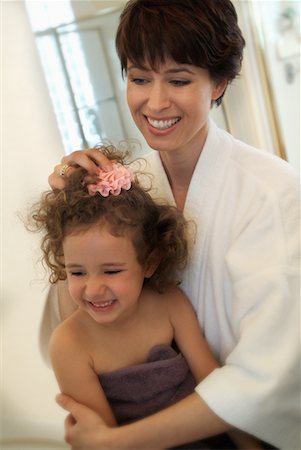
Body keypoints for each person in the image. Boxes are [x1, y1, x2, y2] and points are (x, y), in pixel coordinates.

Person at [45, 0, 300, 449]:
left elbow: (269, 373)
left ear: (219, 83)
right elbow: (83, 327)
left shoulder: (273, 193)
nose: (155, 101)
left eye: (179, 80)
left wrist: (117, 443)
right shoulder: (129, 193)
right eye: (140, 78)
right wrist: (70, 212)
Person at [31, 146, 260, 449]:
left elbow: (215, 386)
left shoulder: (169, 303)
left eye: (111, 271)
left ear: (149, 263)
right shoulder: (68, 344)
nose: (94, 289)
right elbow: (103, 440)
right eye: (77, 273)